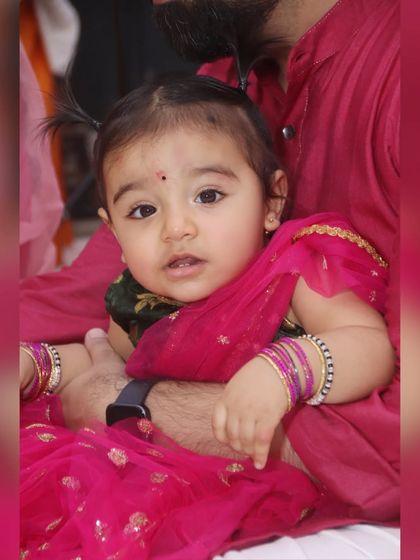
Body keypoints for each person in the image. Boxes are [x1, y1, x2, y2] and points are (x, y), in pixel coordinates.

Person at [20, 0, 400, 529]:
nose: (177, 228)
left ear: (273, 202)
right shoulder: (217, 90)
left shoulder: (299, 266)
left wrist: (282, 371)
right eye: (145, 211)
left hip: (265, 491)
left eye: (209, 196)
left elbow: (369, 352)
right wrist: (36, 366)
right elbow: (102, 346)